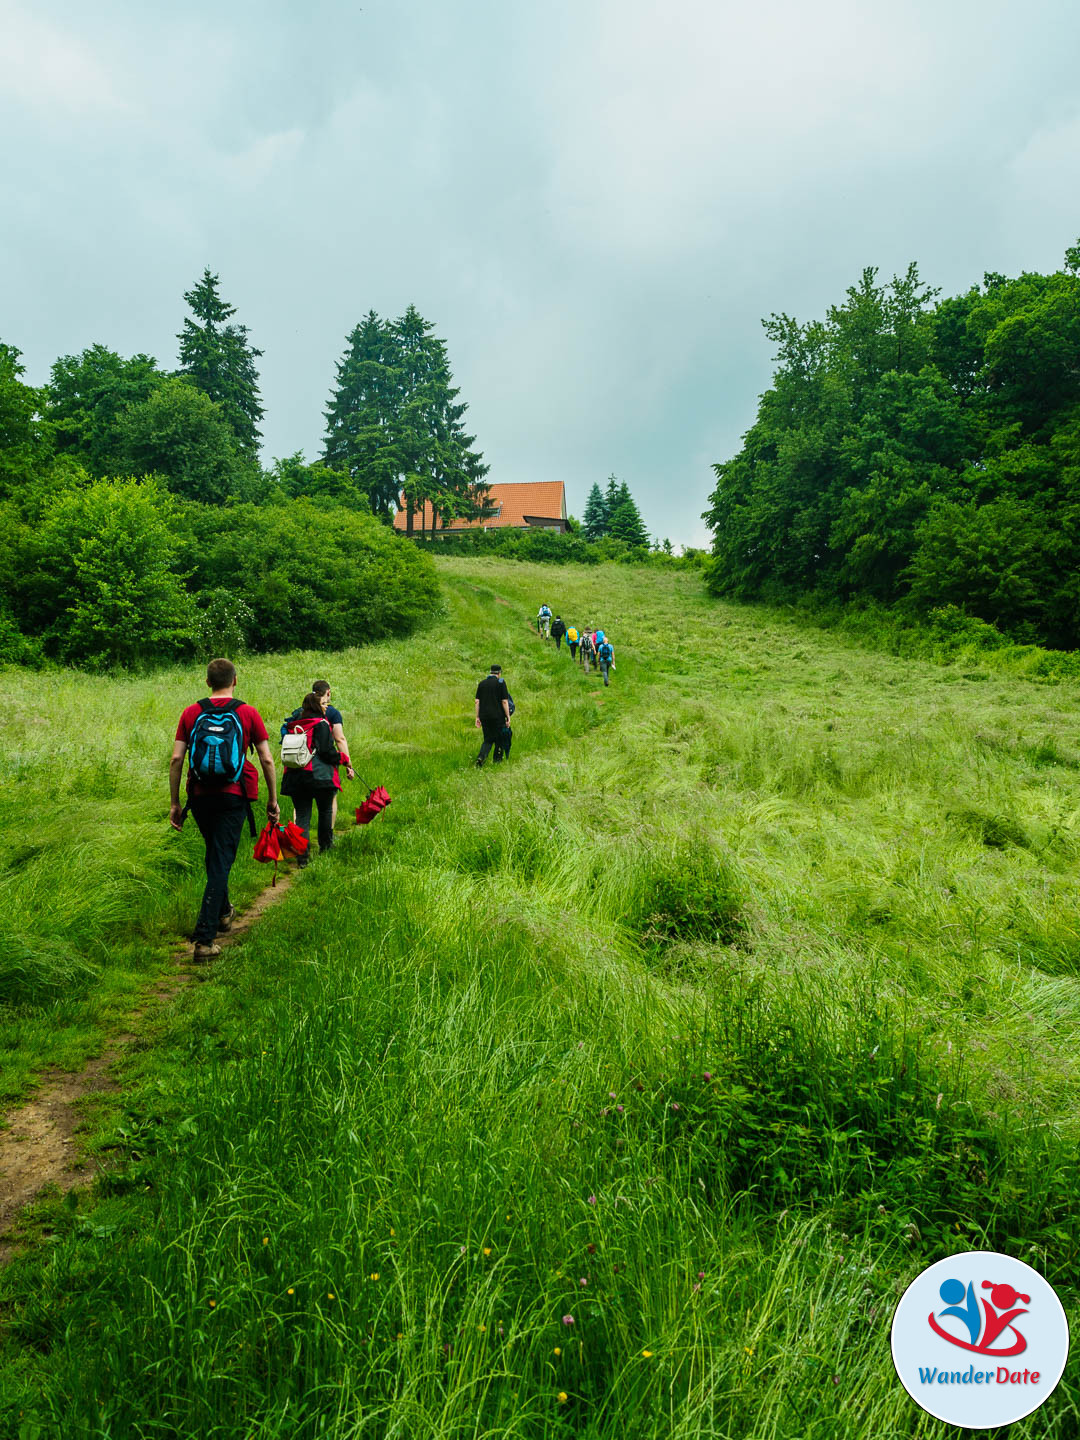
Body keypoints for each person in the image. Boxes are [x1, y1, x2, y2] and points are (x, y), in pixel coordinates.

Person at [170, 657, 279, 961]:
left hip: (200, 795)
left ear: (207, 682)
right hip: (235, 794)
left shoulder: (191, 713)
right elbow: (267, 759)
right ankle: (205, 940)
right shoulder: (247, 712)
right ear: (235, 680)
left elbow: (177, 759)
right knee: (220, 859)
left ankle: (222, 915)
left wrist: (175, 803)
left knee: (215, 855)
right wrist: (272, 799)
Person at [281, 680, 355, 828]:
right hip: (321, 773)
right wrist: (347, 762)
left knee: (302, 813)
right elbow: (338, 740)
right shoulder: (329, 715)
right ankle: (328, 842)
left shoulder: (297, 716)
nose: (325, 707)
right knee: (326, 808)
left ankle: (299, 846)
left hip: (295, 772)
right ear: (328, 693)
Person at [281, 691, 342, 863]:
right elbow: (326, 751)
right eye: (323, 704)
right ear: (316, 706)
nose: (326, 707)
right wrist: (341, 758)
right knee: (325, 811)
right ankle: (326, 847)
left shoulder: (293, 725)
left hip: (295, 777)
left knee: (302, 816)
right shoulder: (321, 724)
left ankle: (302, 857)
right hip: (319, 776)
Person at [474, 664, 511, 766]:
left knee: (488, 740)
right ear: (499, 673)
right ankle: (497, 762)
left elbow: (477, 701)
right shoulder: (501, 683)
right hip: (498, 716)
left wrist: (477, 717)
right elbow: (504, 701)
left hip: (484, 717)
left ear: (490, 672)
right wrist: (508, 716)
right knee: (500, 739)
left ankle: (481, 757)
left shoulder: (482, 684)